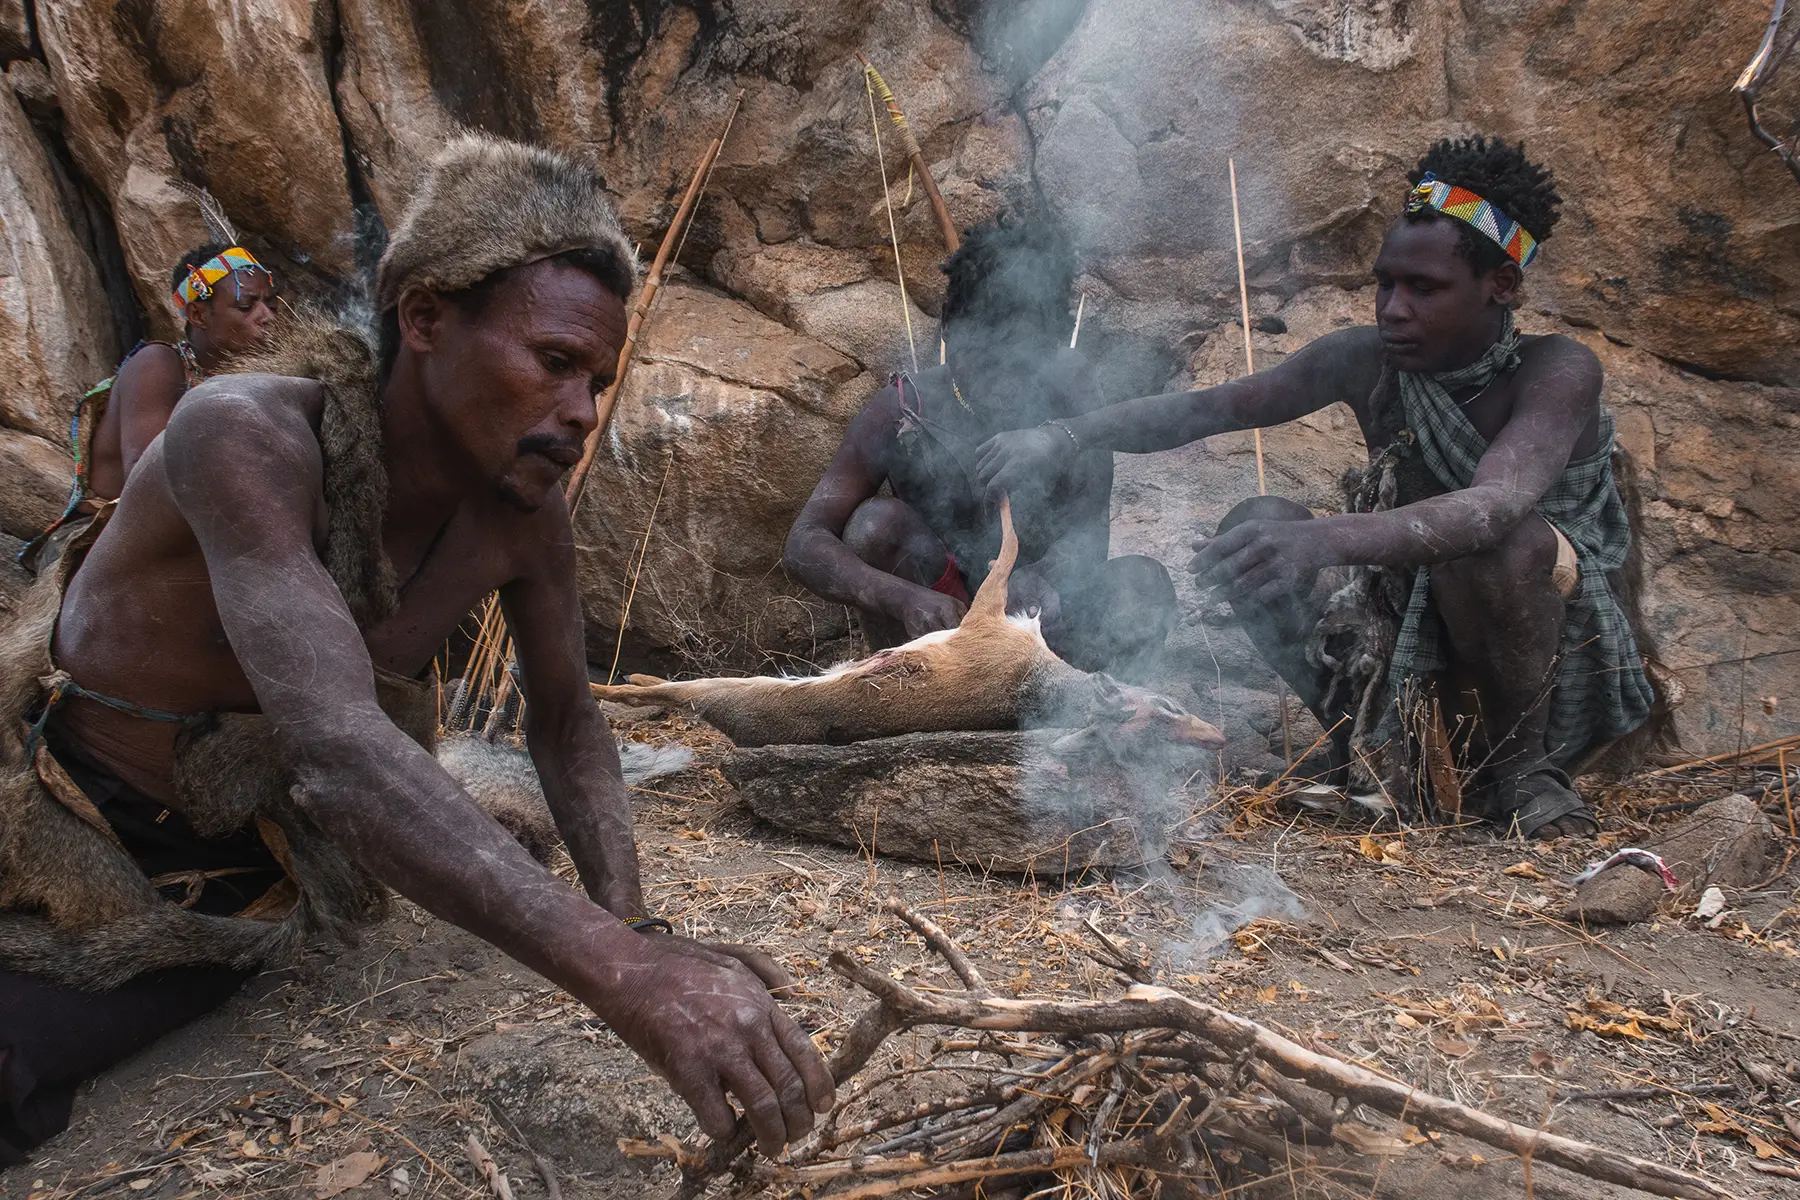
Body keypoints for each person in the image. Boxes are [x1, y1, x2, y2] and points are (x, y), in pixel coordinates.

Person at [0, 135, 832, 1161]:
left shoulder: (523, 515)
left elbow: (566, 721)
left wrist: (635, 928)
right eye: (555, 363)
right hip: (69, 818)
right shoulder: (244, 435)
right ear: (427, 319)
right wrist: (625, 977)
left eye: (598, 381)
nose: (581, 412)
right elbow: (336, 749)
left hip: (253, 866)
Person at [976, 136, 1657, 839]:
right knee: (1259, 524)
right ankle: (1363, 745)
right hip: (1410, 620)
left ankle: (1524, 773)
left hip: (1541, 650)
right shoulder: (1364, 359)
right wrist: (1063, 435)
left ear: (1502, 286)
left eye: (1424, 289)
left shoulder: (1557, 370)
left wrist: (1323, 538)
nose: (1393, 308)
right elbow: (1211, 408)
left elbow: (1490, 510)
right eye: (1385, 283)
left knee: (1501, 547)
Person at [784, 219, 1176, 677]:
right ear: (949, 328)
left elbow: (1090, 529)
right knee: (875, 526)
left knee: (1142, 586)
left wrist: (1045, 575)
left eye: (1024, 361)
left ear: (1051, 346)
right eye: (986, 356)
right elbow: (804, 541)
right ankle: (912, 696)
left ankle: (1098, 707)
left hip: (1045, 620)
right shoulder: (904, 406)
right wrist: (905, 599)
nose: (1003, 380)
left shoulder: (1072, 389)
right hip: (942, 637)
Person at [18, 215, 279, 573]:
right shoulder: (157, 365)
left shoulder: (250, 379)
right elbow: (148, 475)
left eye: (270, 303)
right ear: (198, 315)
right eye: (247, 306)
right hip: (101, 537)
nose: (267, 316)